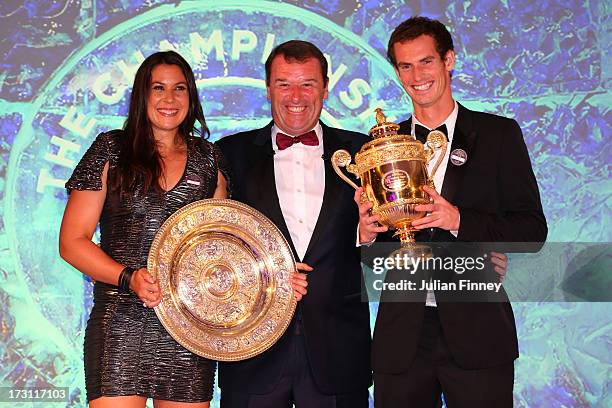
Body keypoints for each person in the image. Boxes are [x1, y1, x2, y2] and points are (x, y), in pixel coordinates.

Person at [365, 16, 548, 407]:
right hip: (402, 338)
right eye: (406, 65)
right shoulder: (382, 148)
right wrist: (366, 233)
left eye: (426, 61)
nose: (417, 75)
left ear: (449, 60)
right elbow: (373, 256)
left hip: (479, 335)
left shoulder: (499, 135)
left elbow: (531, 231)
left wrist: (459, 220)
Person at [59, 51, 229, 408]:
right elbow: (72, 243)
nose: (170, 99)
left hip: (189, 330)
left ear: (191, 97)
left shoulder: (210, 158)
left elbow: (226, 245)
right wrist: (128, 277)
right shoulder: (111, 149)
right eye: (159, 88)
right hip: (120, 324)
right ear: (142, 95)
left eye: (179, 88)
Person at [216, 40, 380, 407]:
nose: (296, 96)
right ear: (268, 88)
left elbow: (394, 249)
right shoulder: (230, 154)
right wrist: (266, 276)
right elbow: (213, 244)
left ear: (325, 88)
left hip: (338, 352)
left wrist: (365, 236)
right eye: (284, 84)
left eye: (307, 84)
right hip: (252, 354)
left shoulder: (363, 153)